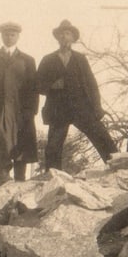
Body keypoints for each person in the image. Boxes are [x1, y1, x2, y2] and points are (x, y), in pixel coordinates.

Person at [36, 19, 118, 171]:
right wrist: (51, 85)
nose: (64, 37)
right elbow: (37, 85)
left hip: (81, 107)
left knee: (102, 138)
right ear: (57, 38)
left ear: (73, 38)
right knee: (53, 146)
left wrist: (97, 108)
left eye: (68, 34)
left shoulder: (80, 59)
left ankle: (118, 168)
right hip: (57, 109)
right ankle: (52, 177)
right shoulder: (48, 60)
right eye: (61, 34)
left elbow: (92, 85)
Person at [0, 22, 39, 184]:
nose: (9, 37)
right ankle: (2, 189)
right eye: (6, 34)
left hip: (21, 115)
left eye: (12, 34)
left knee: (21, 152)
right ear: (1, 36)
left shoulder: (27, 60)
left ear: (18, 36)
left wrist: (30, 112)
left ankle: (20, 191)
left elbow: (33, 89)